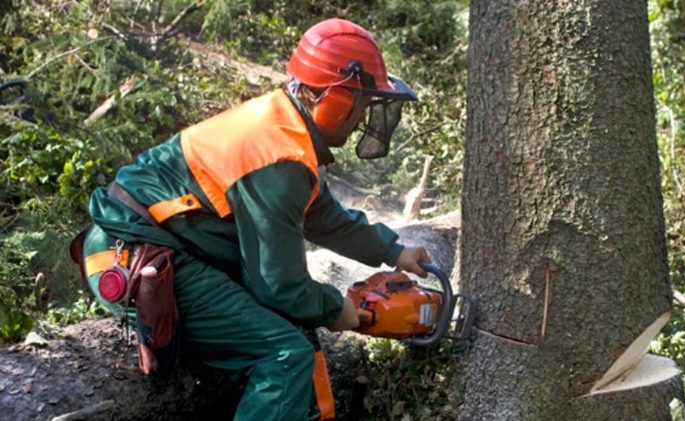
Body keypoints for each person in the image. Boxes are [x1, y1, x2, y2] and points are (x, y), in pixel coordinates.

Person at [78, 18, 430, 420]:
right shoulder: (279, 159)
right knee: (285, 355)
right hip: (139, 256)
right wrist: (344, 313)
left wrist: (393, 250)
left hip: (160, 244)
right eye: (362, 104)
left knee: (282, 335)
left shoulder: (284, 130)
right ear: (334, 98)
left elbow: (325, 218)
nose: (364, 117)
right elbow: (279, 287)